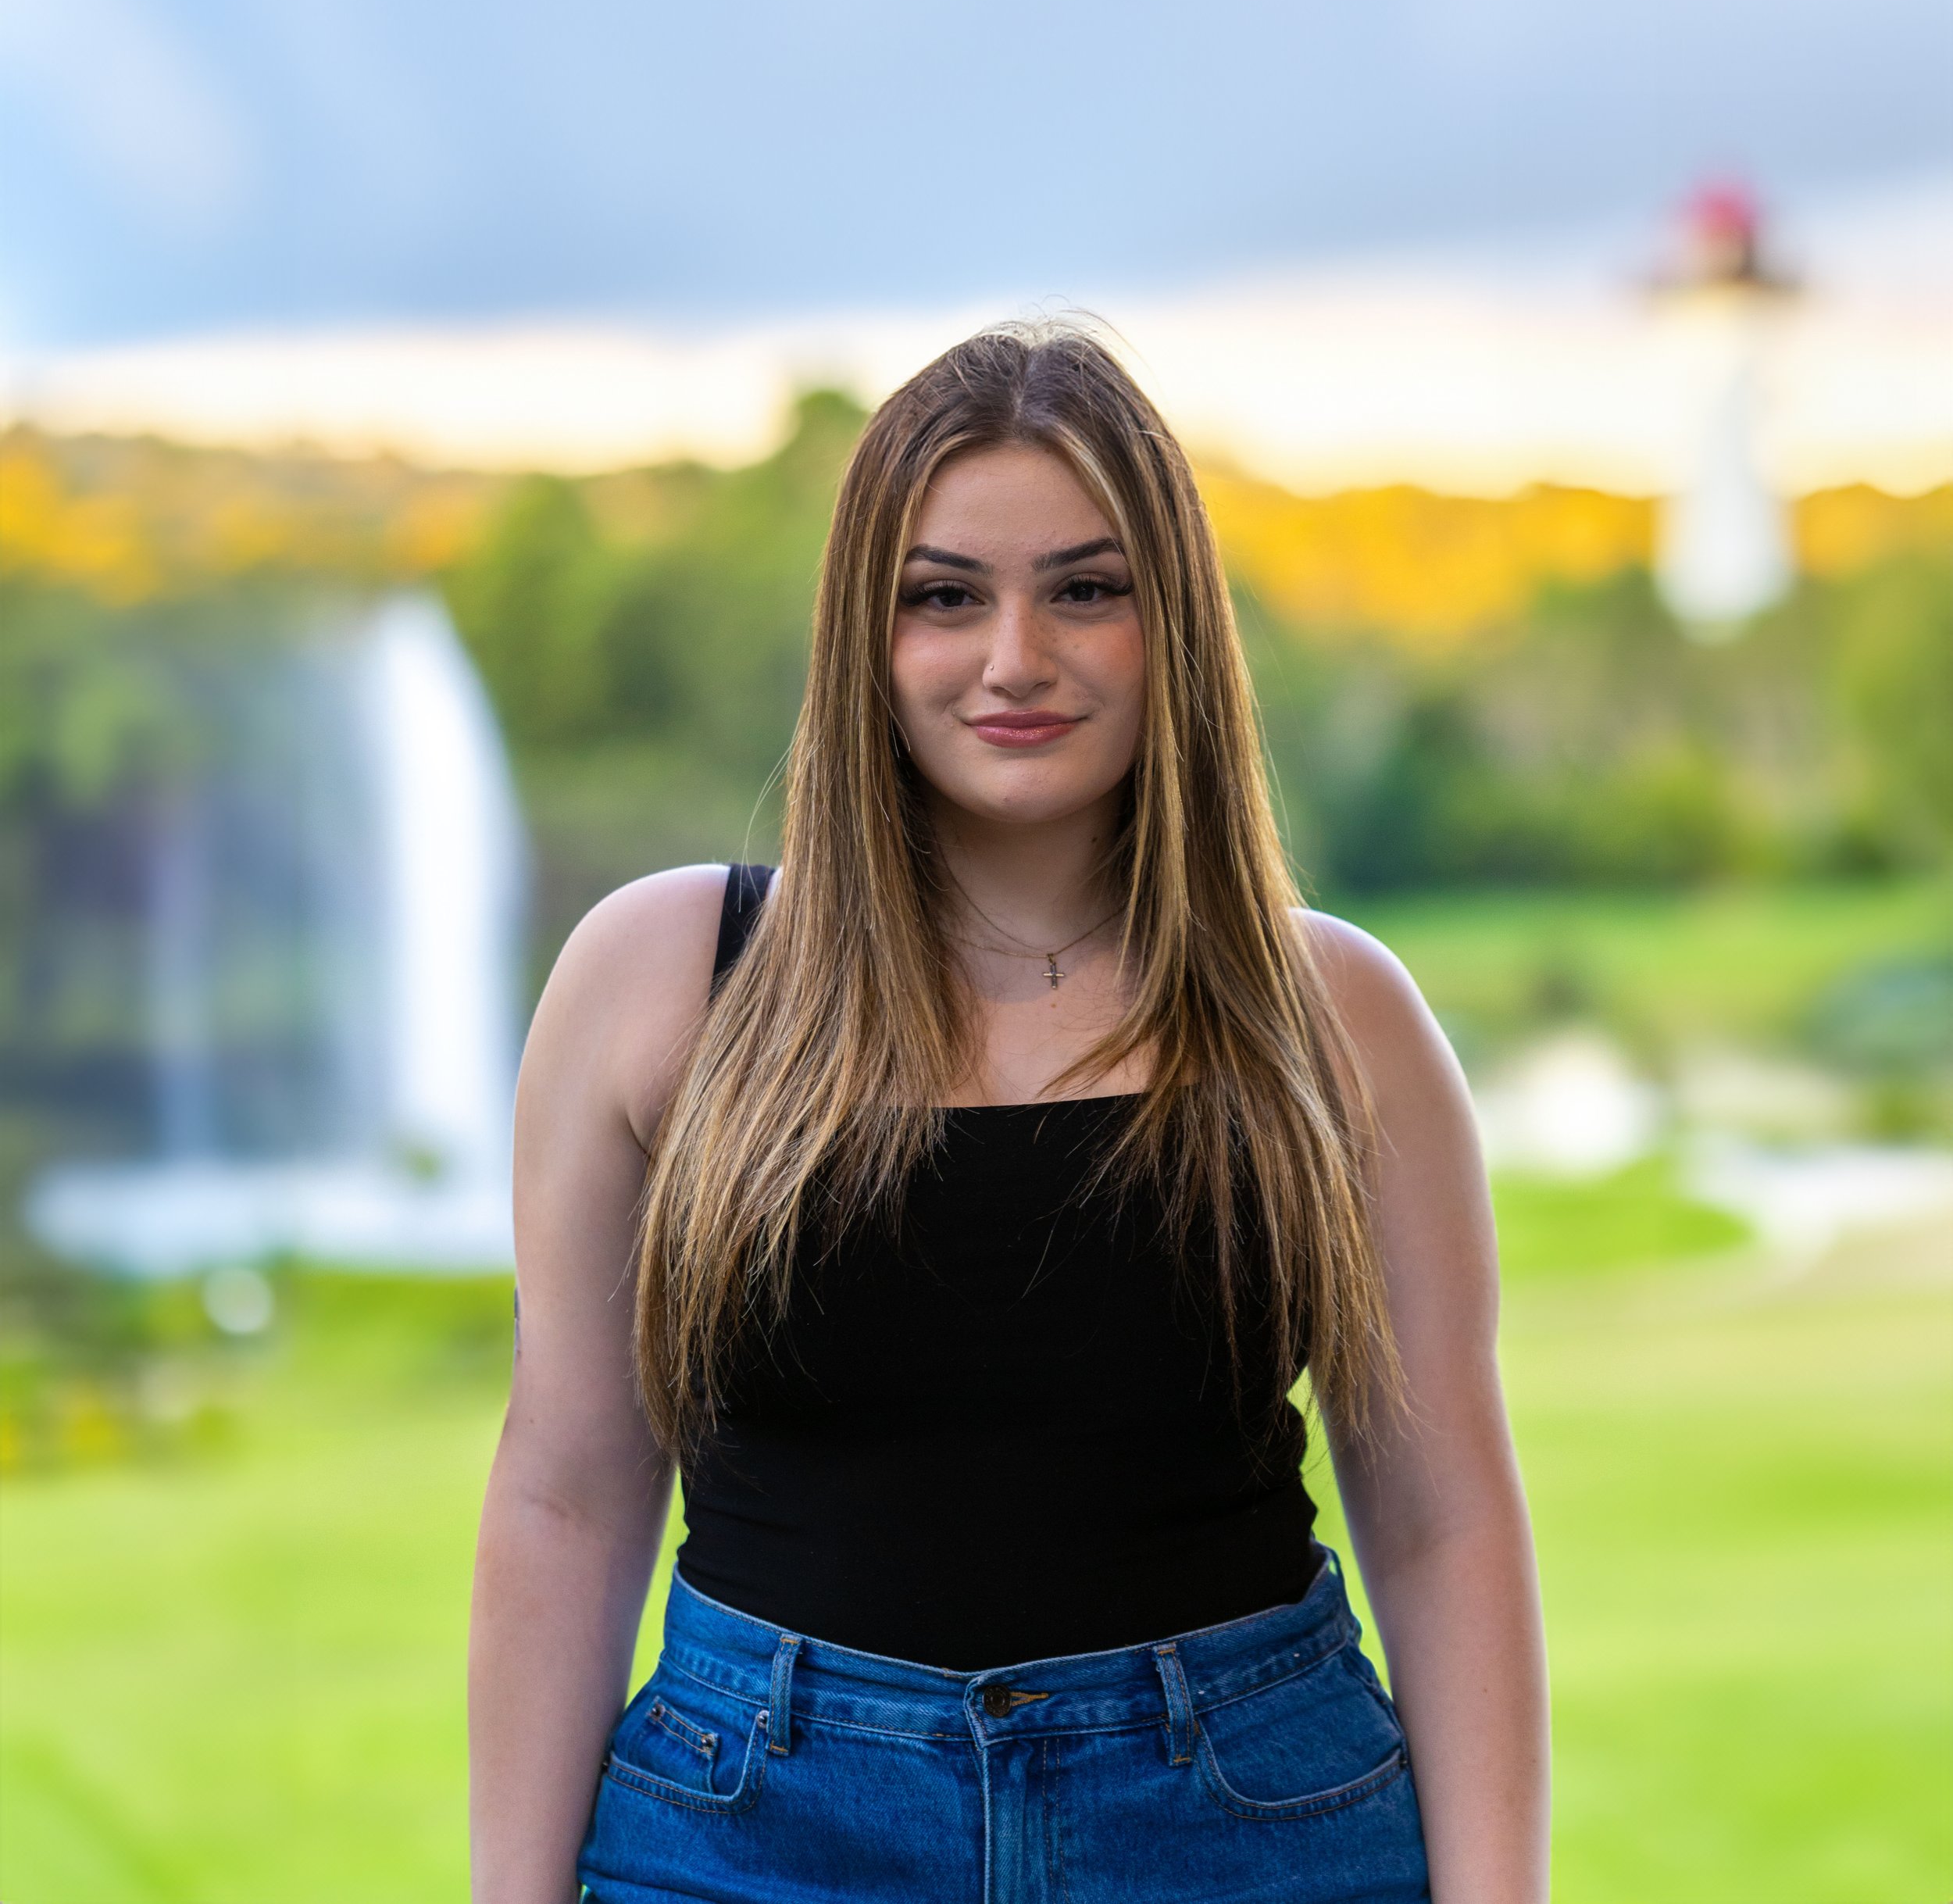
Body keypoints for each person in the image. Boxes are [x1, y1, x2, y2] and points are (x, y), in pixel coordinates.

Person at [469, 322, 1548, 1904]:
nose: (1013, 656)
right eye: (944, 593)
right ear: (866, 632)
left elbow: (1441, 1503)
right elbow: (567, 1481)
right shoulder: (661, 980)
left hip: (1246, 1822)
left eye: (1085, 588)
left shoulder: (1332, 1017)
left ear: (1170, 621)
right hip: (752, 1830)